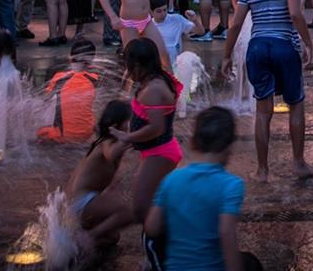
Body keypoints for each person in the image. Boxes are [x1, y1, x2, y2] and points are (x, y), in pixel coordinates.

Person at [218, 0, 313, 181]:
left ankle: (262, 170)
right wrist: (308, 42)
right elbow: (294, 14)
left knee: (263, 111)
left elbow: (236, 24)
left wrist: (227, 55)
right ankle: (298, 163)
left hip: (257, 47)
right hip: (284, 46)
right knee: (296, 104)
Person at [92, 39, 183, 240]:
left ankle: (162, 249)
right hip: (156, 151)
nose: (127, 70)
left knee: (140, 208)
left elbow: (157, 128)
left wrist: (128, 136)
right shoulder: (153, 81)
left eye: (128, 65)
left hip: (160, 153)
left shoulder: (154, 89)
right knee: (152, 202)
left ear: (139, 65)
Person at [145, 106, 248, 271]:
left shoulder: (171, 179)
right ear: (229, 147)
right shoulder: (231, 185)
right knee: (250, 262)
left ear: (194, 142)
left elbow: (152, 227)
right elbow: (226, 234)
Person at [64, 100, 133, 235]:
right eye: (131, 121)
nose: (135, 124)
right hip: (81, 201)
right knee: (129, 212)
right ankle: (89, 238)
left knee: (112, 237)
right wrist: (129, 138)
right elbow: (111, 154)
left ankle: (79, 241)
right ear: (115, 126)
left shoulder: (103, 141)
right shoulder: (106, 143)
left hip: (76, 202)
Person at [38, 38, 102, 143]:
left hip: (63, 136)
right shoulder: (95, 79)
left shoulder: (58, 79)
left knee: (40, 132)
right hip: (86, 134)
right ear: (91, 61)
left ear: (70, 57)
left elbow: (45, 101)